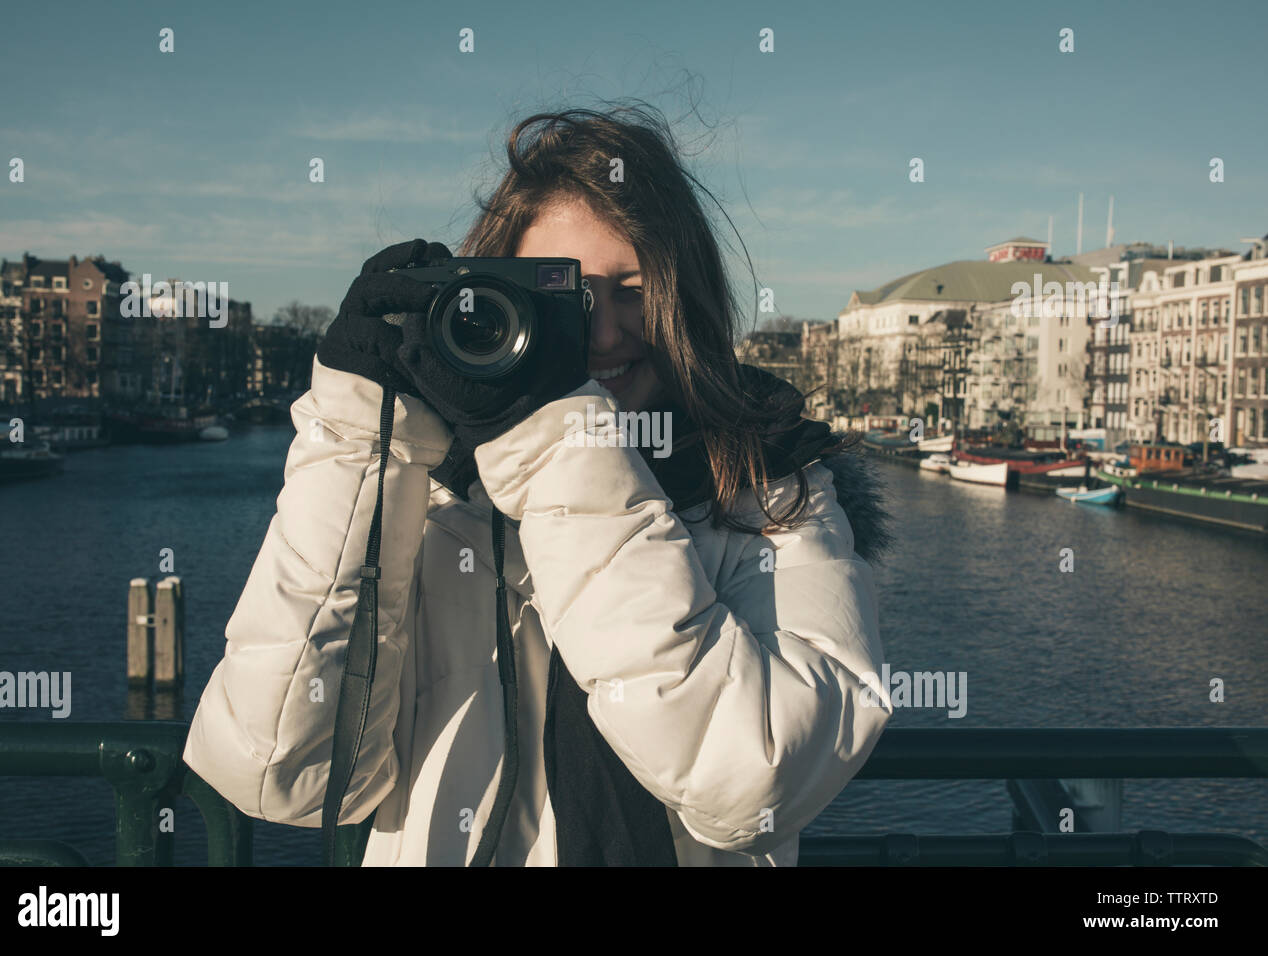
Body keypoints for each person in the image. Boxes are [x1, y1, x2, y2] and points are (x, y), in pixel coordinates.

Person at [183, 103, 895, 866]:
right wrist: (360, 437)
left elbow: (755, 786)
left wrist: (558, 438)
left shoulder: (775, 490)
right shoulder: (429, 495)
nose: (603, 332)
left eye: (634, 288)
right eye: (565, 296)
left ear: (688, 299)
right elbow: (281, 774)